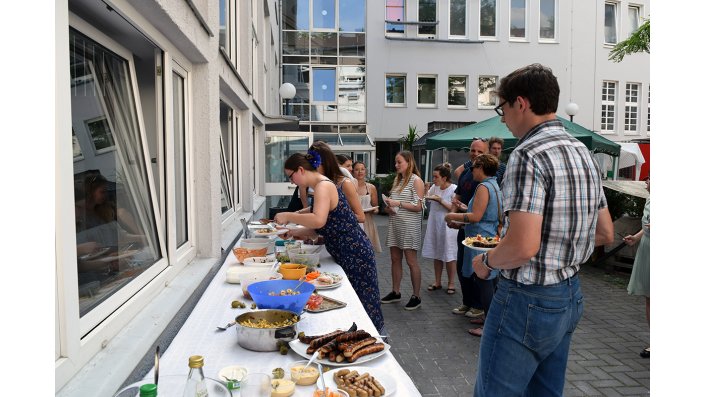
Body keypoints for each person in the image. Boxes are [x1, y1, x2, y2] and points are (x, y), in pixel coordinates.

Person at [470, 64, 614, 397]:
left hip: (526, 299)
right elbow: (605, 232)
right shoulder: (583, 153)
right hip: (569, 294)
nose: (502, 118)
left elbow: (521, 247)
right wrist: (559, 246)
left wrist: (486, 262)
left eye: (502, 108)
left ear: (520, 103)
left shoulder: (527, 154)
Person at [274, 153, 385, 333]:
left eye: (290, 175)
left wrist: (288, 215)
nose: (291, 181)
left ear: (301, 170)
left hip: (355, 253)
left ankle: (375, 342)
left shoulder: (322, 186)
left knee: (364, 305)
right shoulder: (321, 185)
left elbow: (318, 220)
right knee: (357, 304)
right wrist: (293, 232)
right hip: (349, 252)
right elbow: (321, 227)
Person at [445, 154, 502, 337]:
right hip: (486, 238)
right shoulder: (493, 184)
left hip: (480, 242)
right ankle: (488, 317)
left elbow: (476, 217)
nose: (472, 171)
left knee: (484, 282)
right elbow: (484, 216)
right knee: (489, 281)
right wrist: (462, 221)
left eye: (474, 167)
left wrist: (452, 216)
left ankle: (490, 326)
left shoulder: (484, 187)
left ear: (482, 168)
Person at [380, 151, 425, 310]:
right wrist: (389, 208)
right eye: (395, 162)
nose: (396, 165)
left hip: (409, 226)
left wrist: (397, 203)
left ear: (409, 162)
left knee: (411, 261)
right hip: (395, 224)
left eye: (399, 162)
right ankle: (396, 291)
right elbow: (396, 203)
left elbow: (419, 207)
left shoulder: (416, 180)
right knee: (394, 258)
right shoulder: (397, 180)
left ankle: (416, 296)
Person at [449, 138, 488, 319]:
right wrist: (451, 215)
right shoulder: (466, 173)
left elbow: (479, 211)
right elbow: (457, 196)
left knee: (476, 267)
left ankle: (478, 305)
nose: (475, 154)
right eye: (473, 150)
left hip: (478, 229)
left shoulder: (485, 180)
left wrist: (456, 216)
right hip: (463, 225)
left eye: (480, 152)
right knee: (462, 265)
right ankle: (467, 301)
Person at [299, 142, 365, 224]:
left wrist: (325, 217)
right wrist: (297, 214)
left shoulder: (345, 183)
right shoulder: (321, 183)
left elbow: (361, 217)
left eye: (315, 165)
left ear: (325, 164)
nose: (313, 170)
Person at [422, 163, 458, 294]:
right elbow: (426, 198)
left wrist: (440, 200)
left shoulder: (454, 189)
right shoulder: (434, 187)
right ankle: (437, 281)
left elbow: (454, 208)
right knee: (437, 252)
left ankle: (451, 283)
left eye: (436, 177)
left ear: (444, 178)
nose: (434, 179)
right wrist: (426, 189)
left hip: (448, 225)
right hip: (434, 223)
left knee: (449, 253)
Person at [624, 176, 650, 358]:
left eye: (650, 179)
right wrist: (637, 236)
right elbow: (648, 224)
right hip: (647, 250)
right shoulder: (650, 198)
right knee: (649, 297)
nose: (646, 182)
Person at [352, 161, 382, 253]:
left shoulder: (371, 187)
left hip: (367, 221)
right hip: (354, 222)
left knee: (368, 251)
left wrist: (375, 210)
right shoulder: (349, 187)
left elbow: (375, 206)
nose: (360, 172)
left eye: (362, 169)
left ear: (366, 171)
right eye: (357, 169)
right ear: (352, 172)